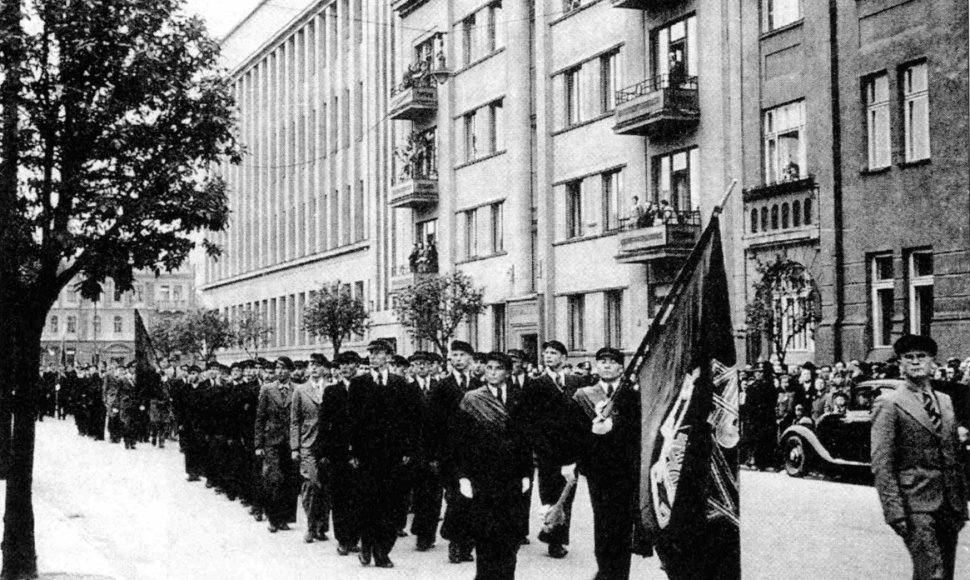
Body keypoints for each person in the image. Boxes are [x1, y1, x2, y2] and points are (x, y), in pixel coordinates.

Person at [871, 334, 968, 580]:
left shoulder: (945, 401)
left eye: (921, 357)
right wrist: (894, 511)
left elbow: (952, 457)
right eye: (909, 357)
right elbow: (882, 463)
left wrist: (961, 505)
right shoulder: (889, 403)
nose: (915, 362)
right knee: (931, 572)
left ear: (933, 362)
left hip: (948, 504)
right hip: (914, 505)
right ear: (900, 364)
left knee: (944, 573)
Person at [453, 352, 532, 580]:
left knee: (510, 536)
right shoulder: (472, 399)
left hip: (511, 477)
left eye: (498, 368)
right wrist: (463, 476)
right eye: (489, 368)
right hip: (482, 475)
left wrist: (526, 473)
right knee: (485, 535)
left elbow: (525, 438)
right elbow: (460, 441)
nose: (493, 372)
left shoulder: (519, 397)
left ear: (508, 372)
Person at [347, 340, 422, 568]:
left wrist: (409, 450)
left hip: (393, 456)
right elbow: (351, 421)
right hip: (367, 456)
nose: (372, 357)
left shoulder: (401, 384)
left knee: (391, 505)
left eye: (378, 353)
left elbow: (411, 421)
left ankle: (383, 551)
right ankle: (367, 545)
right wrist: (352, 451)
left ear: (389, 357)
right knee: (368, 503)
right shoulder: (359, 384)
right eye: (370, 353)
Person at [571, 347, 641, 580]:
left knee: (623, 523)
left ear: (621, 367)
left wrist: (615, 424)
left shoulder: (633, 394)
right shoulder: (583, 394)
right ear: (596, 366)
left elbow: (639, 428)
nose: (607, 365)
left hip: (626, 469)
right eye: (603, 362)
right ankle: (605, 570)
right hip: (598, 470)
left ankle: (620, 574)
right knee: (602, 522)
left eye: (613, 362)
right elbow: (575, 433)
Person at [522, 339, 581, 559]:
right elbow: (529, 417)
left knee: (567, 495)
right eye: (546, 353)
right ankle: (552, 536)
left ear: (564, 358)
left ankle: (559, 537)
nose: (548, 356)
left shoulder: (577, 381)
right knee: (548, 494)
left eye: (554, 353)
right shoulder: (536, 383)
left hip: (571, 449)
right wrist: (538, 444)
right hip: (547, 451)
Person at [434, 340, 480, 564]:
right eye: (455, 355)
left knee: (474, 499)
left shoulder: (480, 384)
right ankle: (454, 542)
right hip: (450, 452)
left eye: (463, 354)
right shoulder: (442, 386)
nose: (458, 359)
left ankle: (468, 545)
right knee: (455, 498)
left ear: (471, 358)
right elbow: (432, 421)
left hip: (476, 452)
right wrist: (434, 453)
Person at [313, 351, 362, 556]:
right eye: (341, 364)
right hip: (338, 453)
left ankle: (355, 538)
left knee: (359, 497)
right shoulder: (332, 392)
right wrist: (322, 451)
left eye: (349, 363)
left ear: (356, 366)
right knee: (341, 498)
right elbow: (324, 423)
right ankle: (343, 539)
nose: (344, 367)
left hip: (362, 452)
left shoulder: (366, 388)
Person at [255, 356, 301, 533]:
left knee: (289, 480)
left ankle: (285, 519)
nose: (280, 371)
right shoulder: (267, 389)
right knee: (273, 478)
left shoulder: (297, 389)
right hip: (272, 440)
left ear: (290, 370)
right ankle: (273, 518)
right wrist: (258, 444)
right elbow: (260, 418)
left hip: (291, 441)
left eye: (283, 368)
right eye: (277, 368)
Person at [291, 353, 332, 543]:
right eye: (311, 365)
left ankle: (321, 527)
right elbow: (295, 421)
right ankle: (310, 525)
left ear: (324, 368)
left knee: (325, 487)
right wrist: (294, 447)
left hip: (328, 445)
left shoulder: (331, 388)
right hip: (307, 444)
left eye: (318, 365)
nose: (314, 368)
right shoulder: (300, 390)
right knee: (311, 484)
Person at [408, 351, 442, 551]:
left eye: (425, 364)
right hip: (416, 449)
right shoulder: (407, 388)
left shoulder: (439, 388)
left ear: (432, 366)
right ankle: (421, 534)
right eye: (417, 363)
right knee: (420, 494)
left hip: (436, 449)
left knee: (435, 494)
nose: (421, 367)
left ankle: (429, 533)